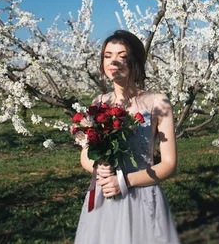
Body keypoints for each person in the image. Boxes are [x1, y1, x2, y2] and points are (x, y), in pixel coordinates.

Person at [74, 30, 180, 244]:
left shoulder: (157, 102)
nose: (114, 61)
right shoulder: (99, 102)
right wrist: (97, 167)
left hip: (141, 197)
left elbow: (169, 164)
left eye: (122, 56)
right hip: (104, 197)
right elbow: (85, 156)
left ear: (136, 61)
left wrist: (123, 181)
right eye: (107, 55)